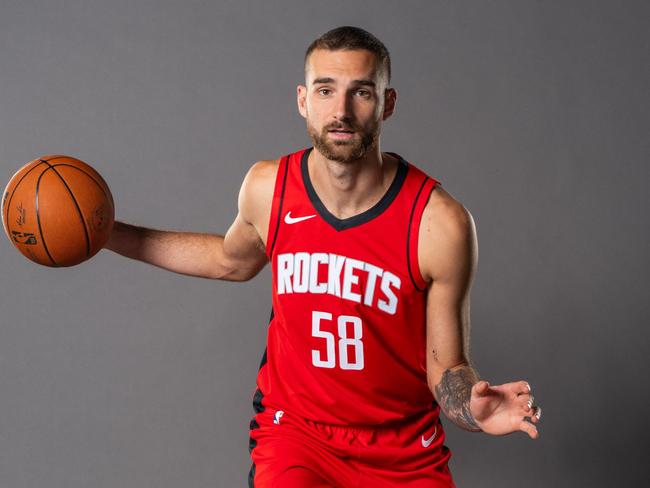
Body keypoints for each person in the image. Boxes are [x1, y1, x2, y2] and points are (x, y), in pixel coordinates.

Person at [106, 26, 541, 488]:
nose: (341, 111)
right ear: (302, 99)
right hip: (297, 435)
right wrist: (108, 235)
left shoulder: (439, 224)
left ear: (387, 103)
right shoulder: (268, 188)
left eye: (361, 92)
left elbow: (446, 366)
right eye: (326, 90)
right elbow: (230, 260)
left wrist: (471, 410)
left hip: (401, 450)